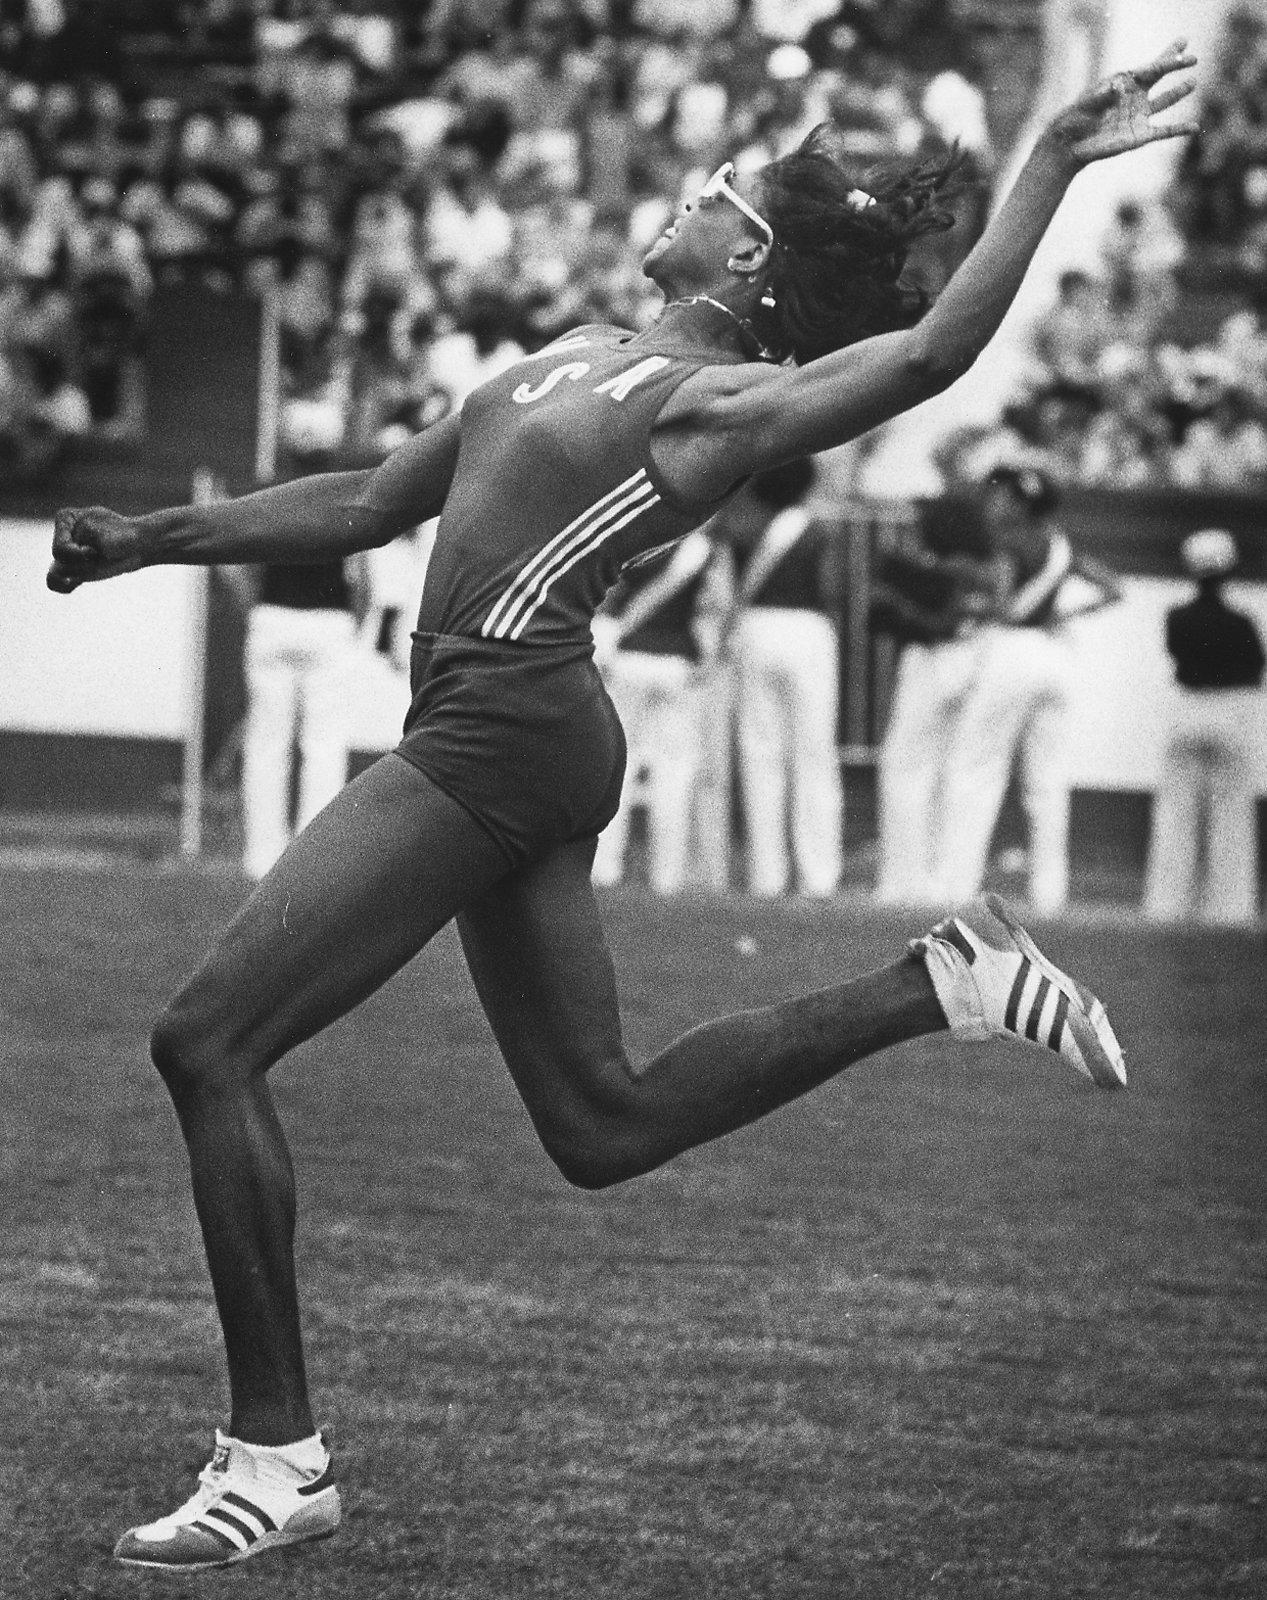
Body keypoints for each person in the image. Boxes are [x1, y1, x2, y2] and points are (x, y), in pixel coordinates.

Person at [46, 46, 1194, 1571]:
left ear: (749, 257)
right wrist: (150, 536)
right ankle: (938, 982)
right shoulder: (573, 351)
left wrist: (1042, 161)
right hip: (503, 729)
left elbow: (925, 359)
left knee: (205, 1042)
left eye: (719, 189)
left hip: (501, 733)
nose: (689, 189)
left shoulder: (713, 401)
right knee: (601, 1124)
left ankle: (277, 1460)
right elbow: (370, 504)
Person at [932, 465, 1123, 914]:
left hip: (1012, 652)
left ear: (1021, 505)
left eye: (1006, 497)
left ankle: (954, 884)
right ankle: (1049, 893)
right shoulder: (1062, 547)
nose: (998, 503)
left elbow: (1003, 607)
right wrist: (1067, 615)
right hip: (1053, 655)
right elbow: (1113, 589)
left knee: (977, 769)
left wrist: (972, 601)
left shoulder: (1010, 544)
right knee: (1047, 782)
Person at [715, 457, 844, 897]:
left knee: (761, 755)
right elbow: (831, 588)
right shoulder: (816, 530)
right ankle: (819, 877)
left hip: (756, 626)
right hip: (808, 629)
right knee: (814, 755)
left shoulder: (745, 529)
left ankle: (766, 876)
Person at [871, 494, 1003, 905]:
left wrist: (897, 602)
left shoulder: (942, 568)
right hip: (976, 659)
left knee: (904, 768)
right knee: (955, 773)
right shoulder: (987, 567)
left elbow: (937, 623)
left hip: (933, 661)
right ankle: (950, 883)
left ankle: (901, 881)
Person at [590, 528, 729, 893]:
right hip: (677, 665)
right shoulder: (702, 547)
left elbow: (607, 597)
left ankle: (604, 868)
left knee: (618, 770)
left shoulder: (635, 541)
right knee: (674, 774)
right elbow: (718, 606)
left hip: (628, 660)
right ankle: (667, 876)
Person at [1143, 527, 1265, 925]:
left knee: (1176, 816)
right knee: (1230, 819)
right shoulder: (1242, 621)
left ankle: (1166, 906)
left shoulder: (1177, 617)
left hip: (1187, 713)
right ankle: (1230, 910)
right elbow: (1254, 669)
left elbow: (1177, 655)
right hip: (1230, 714)